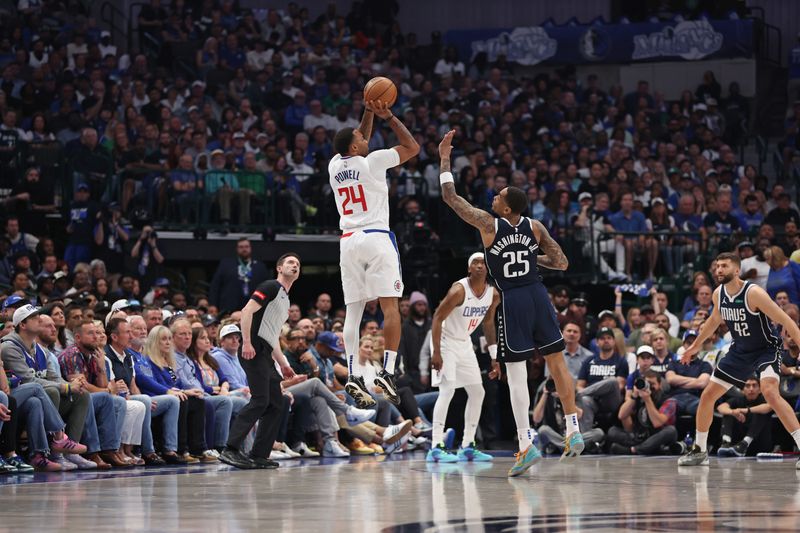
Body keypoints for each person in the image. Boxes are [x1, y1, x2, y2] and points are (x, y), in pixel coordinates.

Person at [438, 130, 583, 477]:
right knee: (557, 364)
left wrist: (444, 158)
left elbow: (450, 197)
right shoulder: (534, 227)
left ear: (507, 207)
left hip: (514, 300)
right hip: (538, 294)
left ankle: (524, 445)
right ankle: (574, 429)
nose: (494, 196)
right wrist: (534, 260)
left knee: (517, 374)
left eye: (499, 195)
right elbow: (561, 262)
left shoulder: (489, 224)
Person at [329, 97, 420, 409]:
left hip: (348, 240)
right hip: (376, 236)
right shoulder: (375, 160)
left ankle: (353, 375)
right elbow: (412, 148)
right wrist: (389, 117)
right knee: (390, 306)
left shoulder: (335, 165)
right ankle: (388, 371)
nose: (365, 138)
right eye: (361, 139)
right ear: (356, 147)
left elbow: (356, 137)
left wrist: (367, 111)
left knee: (353, 311)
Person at [679, 252, 800, 468]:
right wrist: (695, 346)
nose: (718, 270)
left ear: (736, 270)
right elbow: (714, 320)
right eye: (717, 266)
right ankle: (699, 450)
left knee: (771, 393)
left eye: (724, 266)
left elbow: (786, 320)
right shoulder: (718, 294)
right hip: (739, 351)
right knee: (707, 395)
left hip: (766, 349)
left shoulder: (754, 293)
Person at [219, 253, 300, 470]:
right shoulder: (270, 286)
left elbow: (272, 335)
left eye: (298, 264)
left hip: (265, 352)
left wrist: (283, 363)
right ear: (279, 268)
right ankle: (230, 448)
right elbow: (246, 312)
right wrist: (246, 342)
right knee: (260, 400)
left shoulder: (285, 299)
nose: (295, 266)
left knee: (277, 403)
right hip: (253, 349)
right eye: (290, 262)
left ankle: (259, 454)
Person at [427, 253, 499, 463]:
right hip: (445, 341)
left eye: (483, 263)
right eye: (475, 263)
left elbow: (488, 324)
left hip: (464, 342)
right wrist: (437, 351)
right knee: (447, 390)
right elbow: (437, 317)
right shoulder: (459, 290)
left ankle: (467, 445)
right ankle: (435, 447)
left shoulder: (493, 294)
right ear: (469, 269)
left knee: (478, 391)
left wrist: (494, 357)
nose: (479, 266)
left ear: (488, 269)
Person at [610, 370, 679, 455]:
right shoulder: (638, 397)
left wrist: (647, 399)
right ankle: (646, 448)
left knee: (671, 431)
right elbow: (621, 416)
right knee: (613, 431)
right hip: (640, 436)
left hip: (658, 436)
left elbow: (657, 423)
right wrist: (634, 396)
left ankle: (633, 450)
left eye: (652, 384)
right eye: (647, 384)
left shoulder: (669, 400)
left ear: (659, 385)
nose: (649, 387)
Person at [716, 376, 774, 457]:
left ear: (760, 389)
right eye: (747, 386)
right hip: (737, 444)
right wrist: (733, 412)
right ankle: (726, 443)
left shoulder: (764, 399)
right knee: (729, 413)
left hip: (760, 443)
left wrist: (745, 410)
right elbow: (721, 407)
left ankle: (745, 443)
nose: (751, 389)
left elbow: (769, 407)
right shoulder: (738, 399)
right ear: (743, 390)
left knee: (760, 411)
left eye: (754, 385)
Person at [209, 238, 269, 315]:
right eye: (241, 247)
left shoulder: (260, 266)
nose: (244, 249)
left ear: (250, 248)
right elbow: (215, 285)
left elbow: (266, 288)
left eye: (246, 247)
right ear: (237, 249)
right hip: (229, 307)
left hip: (253, 306)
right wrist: (213, 304)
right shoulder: (226, 264)